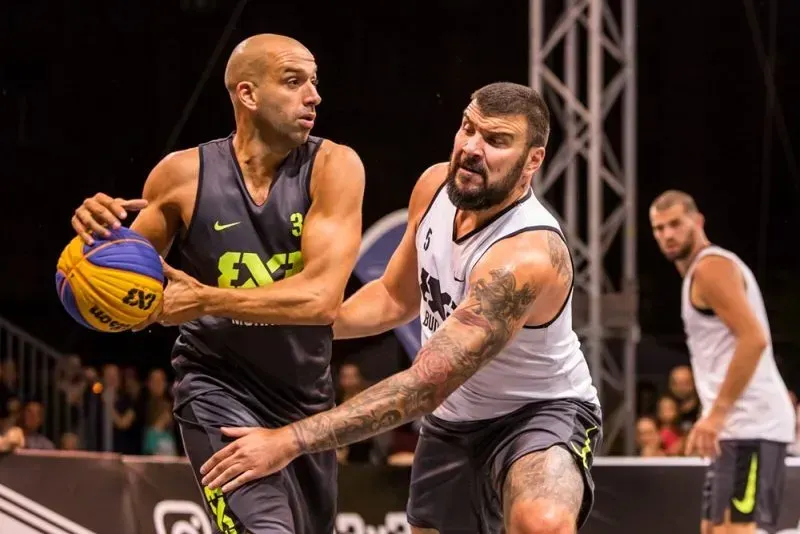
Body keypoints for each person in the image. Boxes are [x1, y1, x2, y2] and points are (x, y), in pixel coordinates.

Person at [200, 82, 603, 534]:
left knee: (542, 522)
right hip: (454, 418)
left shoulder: (527, 257)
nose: (472, 148)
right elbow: (395, 297)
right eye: (467, 128)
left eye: (496, 141)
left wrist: (288, 441)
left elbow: (423, 387)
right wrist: (292, 327)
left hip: (538, 409)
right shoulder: (434, 185)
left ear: (533, 160)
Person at [69, 34, 365, 534]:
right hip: (217, 389)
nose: (313, 96)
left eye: (314, 82)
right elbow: (123, 292)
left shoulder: (335, 166)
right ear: (247, 94)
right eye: (294, 82)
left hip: (305, 403)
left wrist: (207, 299)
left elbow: (321, 300)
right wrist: (94, 239)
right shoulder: (181, 176)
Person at [649, 190, 795, 534]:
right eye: (659, 228)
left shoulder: (711, 268)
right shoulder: (700, 274)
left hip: (752, 423)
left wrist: (716, 414)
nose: (667, 235)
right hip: (734, 427)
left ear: (697, 222)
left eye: (675, 224)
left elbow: (754, 339)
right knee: (715, 530)